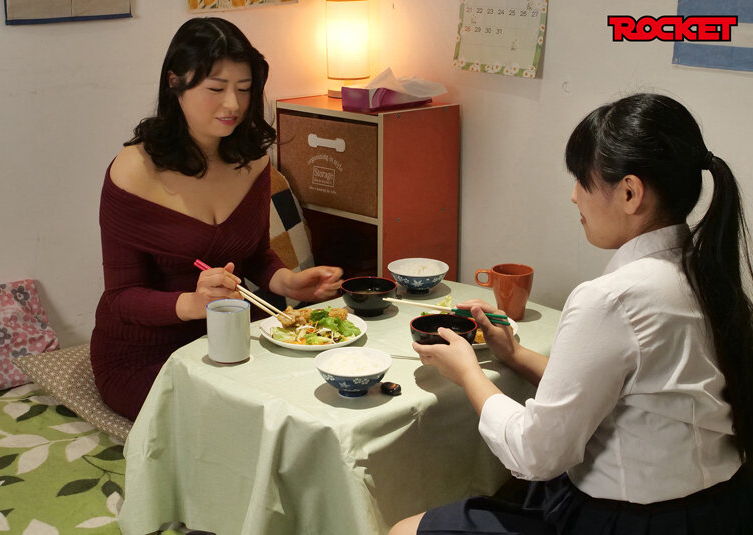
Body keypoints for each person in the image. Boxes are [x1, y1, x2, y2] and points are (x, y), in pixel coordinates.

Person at [391, 93, 753, 534]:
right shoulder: (705, 273)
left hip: (635, 522)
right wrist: (513, 354)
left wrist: (467, 372)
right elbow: (617, 393)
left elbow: (535, 454)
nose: (574, 196)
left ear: (630, 192)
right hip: (721, 507)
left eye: (582, 180)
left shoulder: (612, 299)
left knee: (404, 529)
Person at [90, 18, 342, 421]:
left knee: (322, 387)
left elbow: (253, 253)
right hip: (146, 352)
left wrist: (288, 282)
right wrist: (194, 303)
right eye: (216, 89)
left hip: (232, 334)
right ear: (175, 83)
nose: (233, 105)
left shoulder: (252, 159)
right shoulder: (134, 170)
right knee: (237, 419)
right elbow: (122, 297)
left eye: (244, 89)